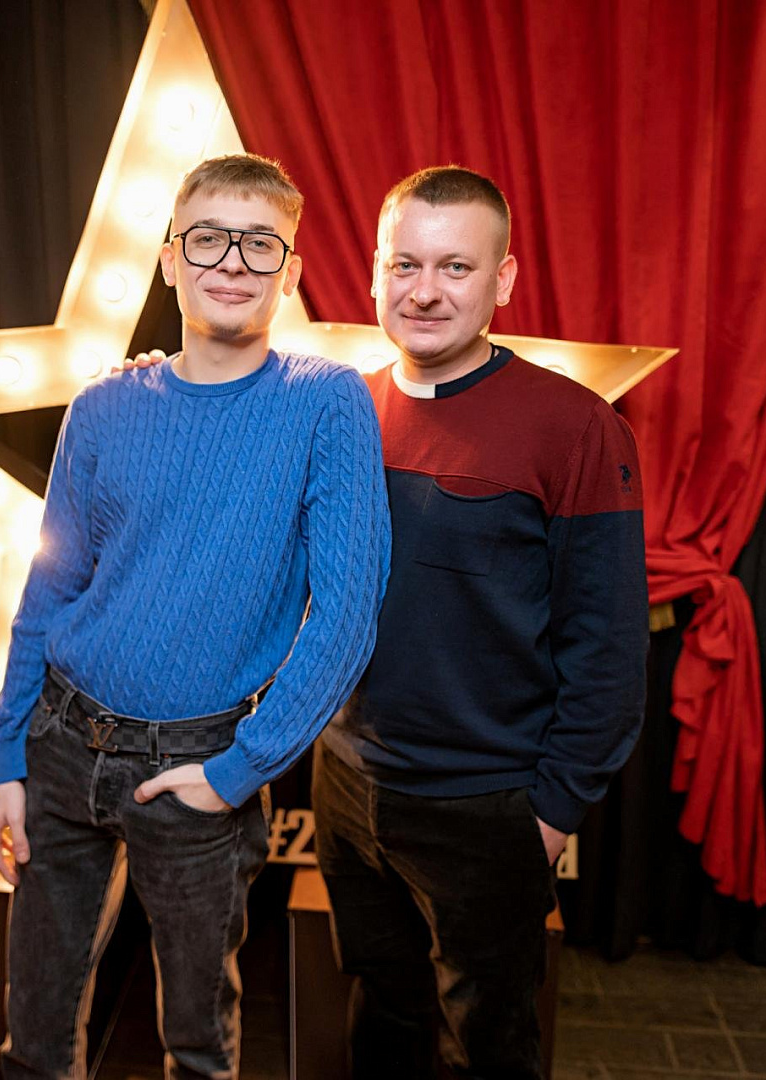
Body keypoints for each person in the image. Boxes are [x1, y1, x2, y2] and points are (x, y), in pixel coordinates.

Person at [0, 153, 392, 1080]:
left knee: (198, 1041)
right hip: (60, 742)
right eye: (208, 238)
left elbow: (347, 616)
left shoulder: (325, 403)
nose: (232, 261)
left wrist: (242, 768)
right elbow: (50, 586)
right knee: (35, 1031)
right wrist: (6, 755)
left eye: (260, 244)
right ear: (170, 260)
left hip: (199, 762)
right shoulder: (102, 405)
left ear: (290, 270)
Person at [313, 166, 649, 1079]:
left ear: (502, 281)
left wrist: (550, 813)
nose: (425, 291)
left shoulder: (575, 428)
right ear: (374, 273)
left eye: (455, 267)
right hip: (347, 789)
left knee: (490, 1045)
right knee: (383, 1016)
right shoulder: (343, 411)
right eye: (405, 264)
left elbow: (609, 648)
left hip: (486, 806)